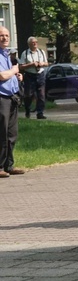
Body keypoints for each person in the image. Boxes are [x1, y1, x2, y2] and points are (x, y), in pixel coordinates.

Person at [0, 26, 25, 178]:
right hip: (1, 98)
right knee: (1, 132)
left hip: (12, 98)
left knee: (11, 133)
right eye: (1, 35)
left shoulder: (7, 55)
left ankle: (9, 165)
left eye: (7, 35)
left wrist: (18, 77)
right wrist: (14, 72)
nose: (5, 38)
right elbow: (2, 76)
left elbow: (9, 75)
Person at [17, 36, 48, 119]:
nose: (35, 44)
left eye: (36, 42)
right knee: (29, 95)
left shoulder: (41, 52)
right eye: (33, 43)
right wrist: (31, 64)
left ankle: (40, 113)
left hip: (40, 74)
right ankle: (27, 110)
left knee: (41, 95)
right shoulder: (25, 53)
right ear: (29, 44)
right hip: (29, 76)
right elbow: (21, 66)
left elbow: (46, 63)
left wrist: (42, 64)